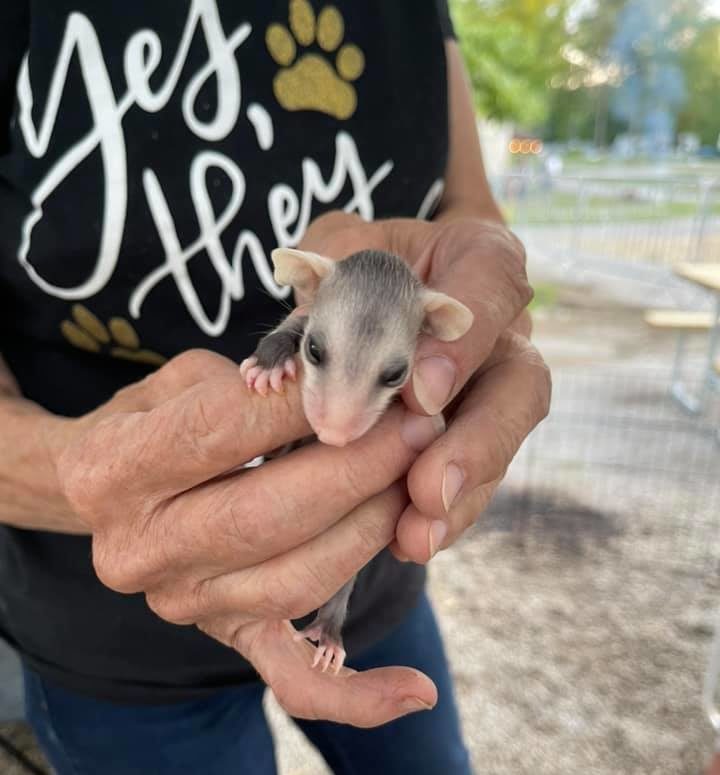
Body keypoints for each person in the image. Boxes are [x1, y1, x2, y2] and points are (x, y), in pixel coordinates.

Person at [0, 1, 551, 773]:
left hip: (368, 578)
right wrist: (69, 470)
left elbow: (468, 206)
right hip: (108, 635)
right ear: (303, 286)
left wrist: (492, 304)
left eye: (389, 375)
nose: (339, 416)